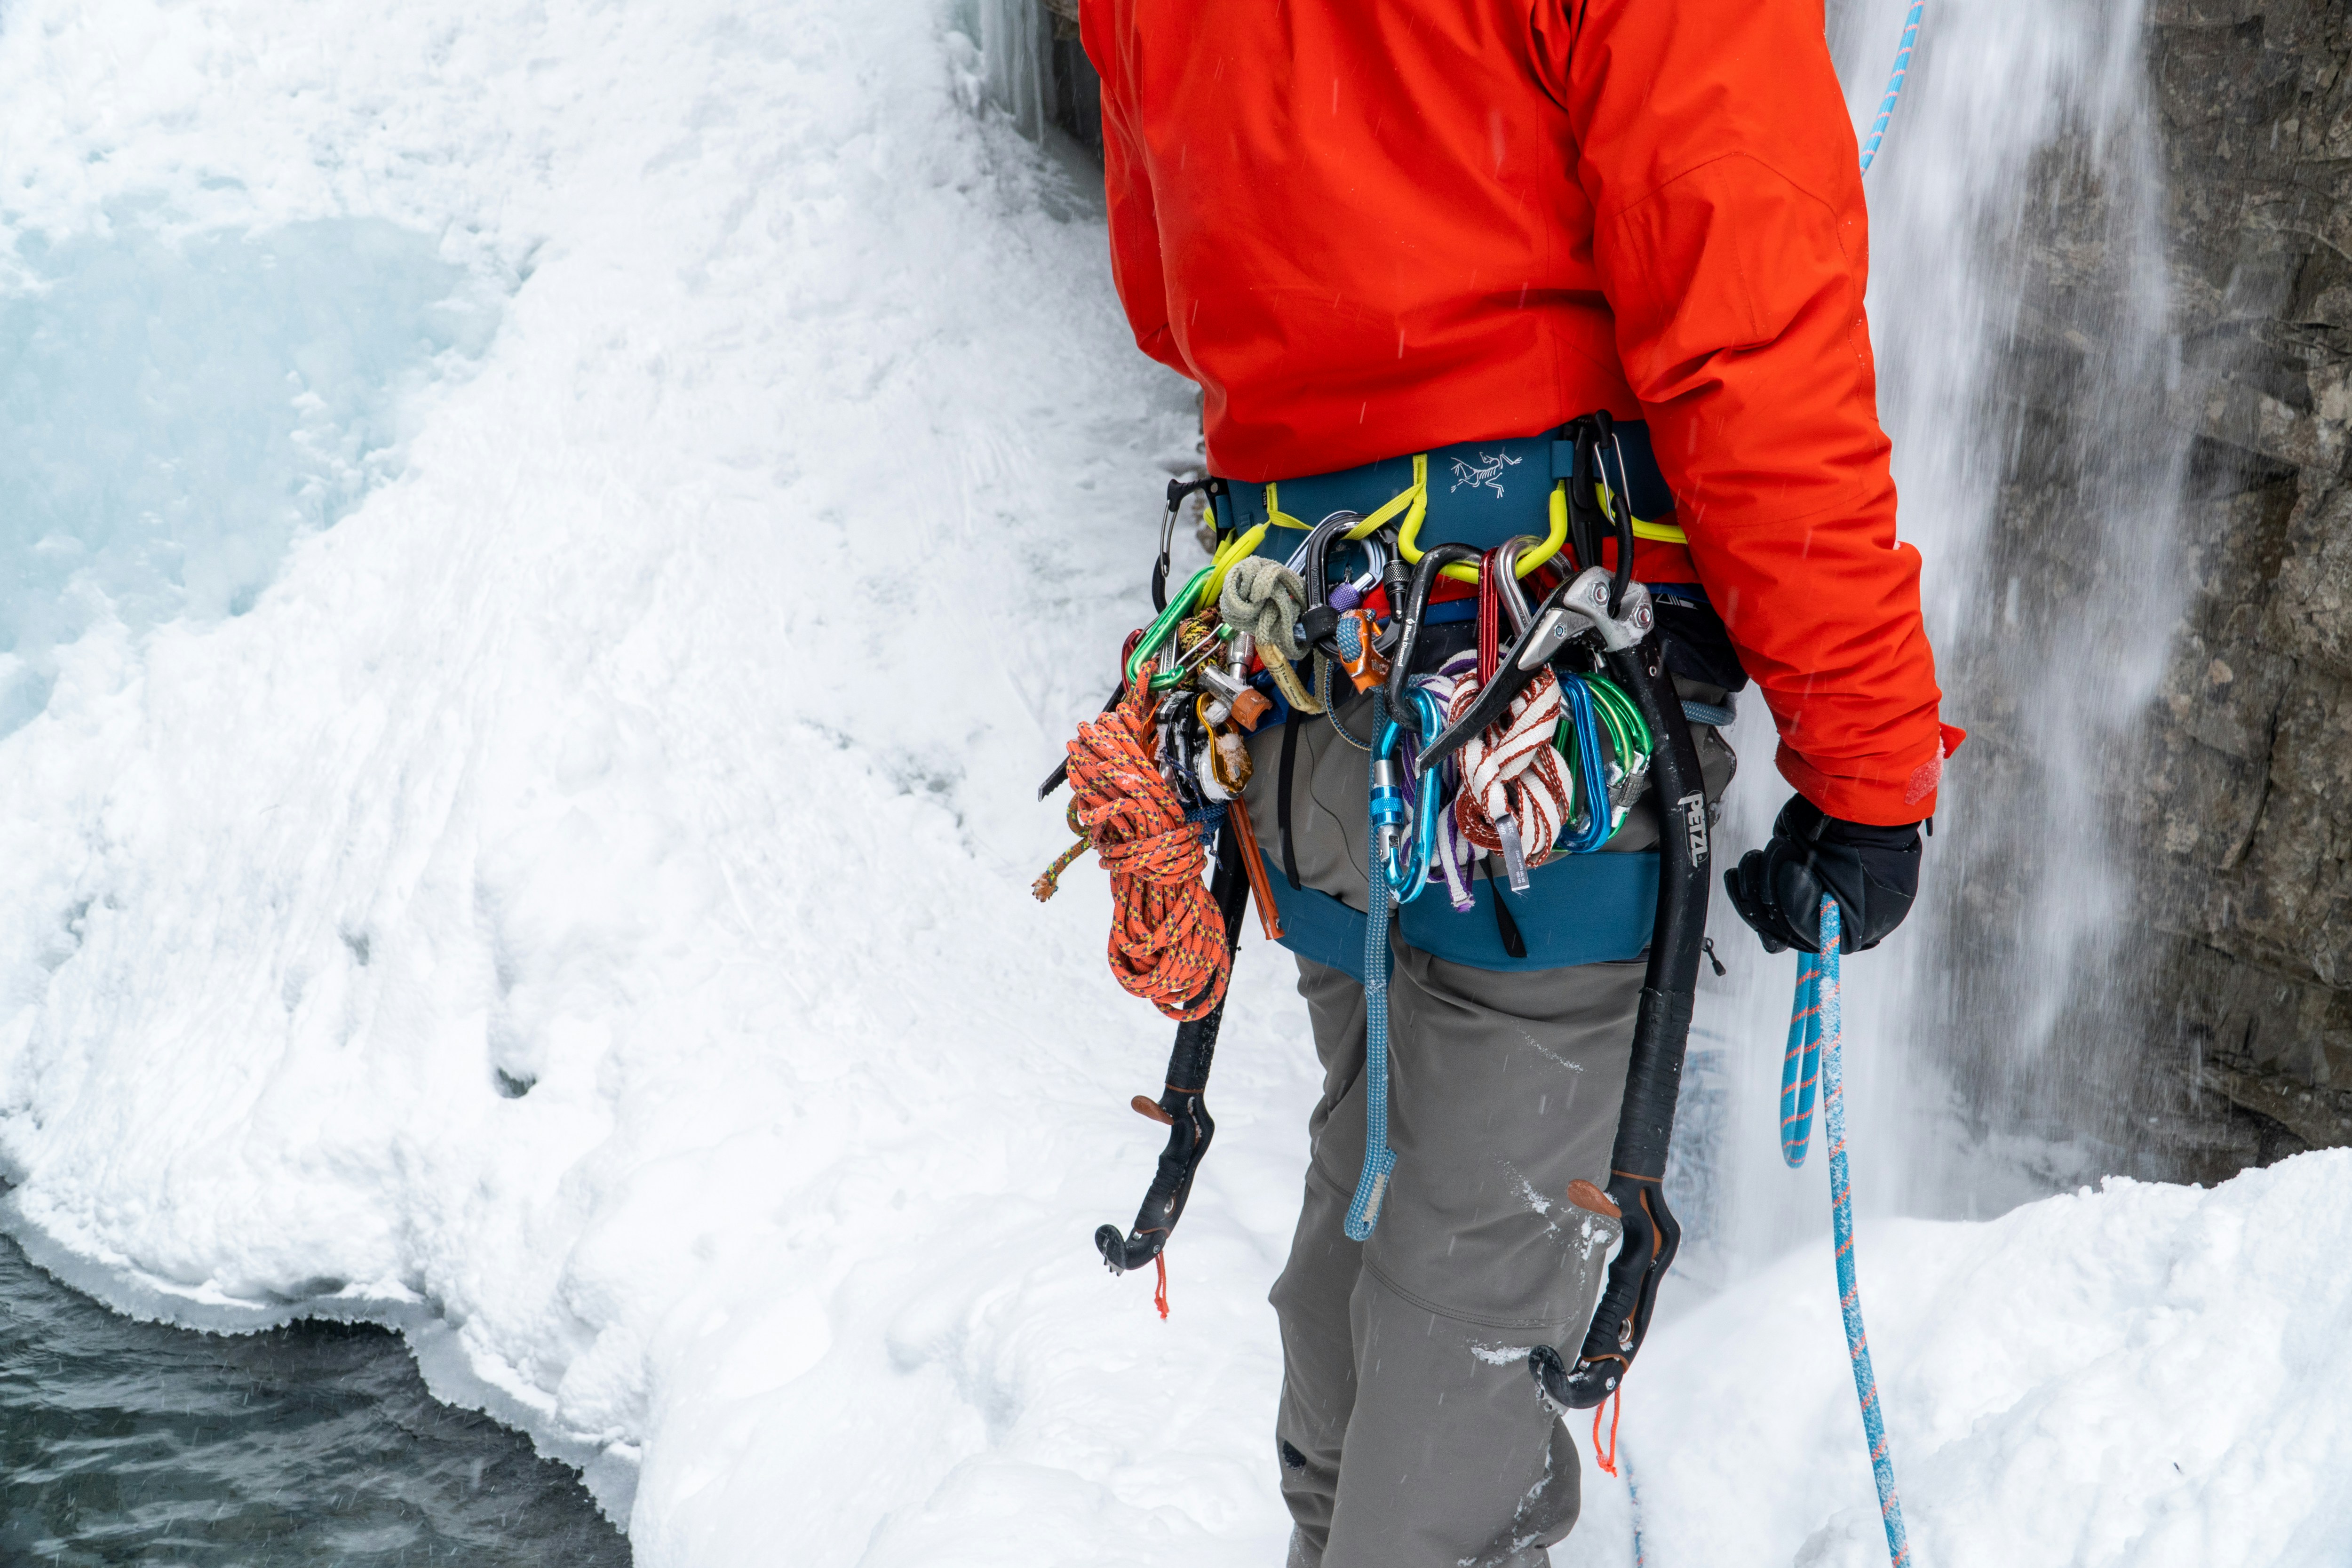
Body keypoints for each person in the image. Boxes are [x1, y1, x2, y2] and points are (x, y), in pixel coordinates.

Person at [1077, 1, 1963, 1563]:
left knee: (1381, 1203)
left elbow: (1170, 293)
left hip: (1311, 708)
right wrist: (1869, 761)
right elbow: (1750, 345)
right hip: (1532, 741)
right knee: (1466, 1318)